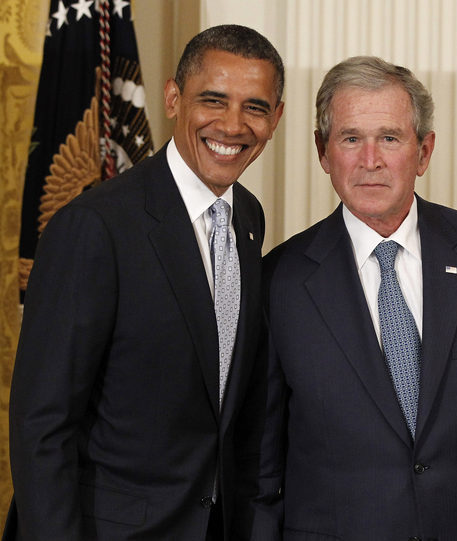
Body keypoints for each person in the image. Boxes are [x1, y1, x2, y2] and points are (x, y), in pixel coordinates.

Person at [241, 56, 457, 540]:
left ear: (423, 151)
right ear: (323, 151)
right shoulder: (279, 280)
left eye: (390, 138)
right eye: (351, 138)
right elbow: (260, 466)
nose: (370, 159)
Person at [6, 24, 284, 541]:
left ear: (277, 118)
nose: (232, 125)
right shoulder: (94, 227)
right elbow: (40, 426)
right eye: (213, 100)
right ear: (174, 98)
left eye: (255, 107)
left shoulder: (248, 216)